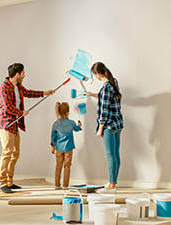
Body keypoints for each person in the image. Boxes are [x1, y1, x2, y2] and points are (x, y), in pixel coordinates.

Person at [0, 63, 54, 193]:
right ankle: (2, 183)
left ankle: (9, 182)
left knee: (15, 153)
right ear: (17, 74)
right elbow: (6, 106)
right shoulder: (4, 88)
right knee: (7, 152)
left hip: (15, 123)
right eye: (23, 73)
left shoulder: (18, 86)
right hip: (5, 124)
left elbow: (28, 93)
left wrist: (45, 93)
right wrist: (20, 112)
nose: (24, 75)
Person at [85, 62, 123, 191]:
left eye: (94, 75)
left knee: (109, 155)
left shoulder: (106, 87)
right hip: (117, 124)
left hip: (109, 126)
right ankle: (114, 182)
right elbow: (106, 98)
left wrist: (100, 128)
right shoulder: (113, 82)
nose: (94, 77)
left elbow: (104, 110)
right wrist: (92, 94)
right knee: (116, 154)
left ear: (98, 74)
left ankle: (112, 183)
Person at [50, 102, 82, 189]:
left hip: (59, 148)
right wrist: (79, 125)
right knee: (67, 166)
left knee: (58, 166)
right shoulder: (71, 123)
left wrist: (53, 146)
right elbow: (76, 129)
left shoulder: (56, 124)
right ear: (68, 112)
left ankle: (57, 185)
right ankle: (65, 186)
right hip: (68, 148)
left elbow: (53, 137)